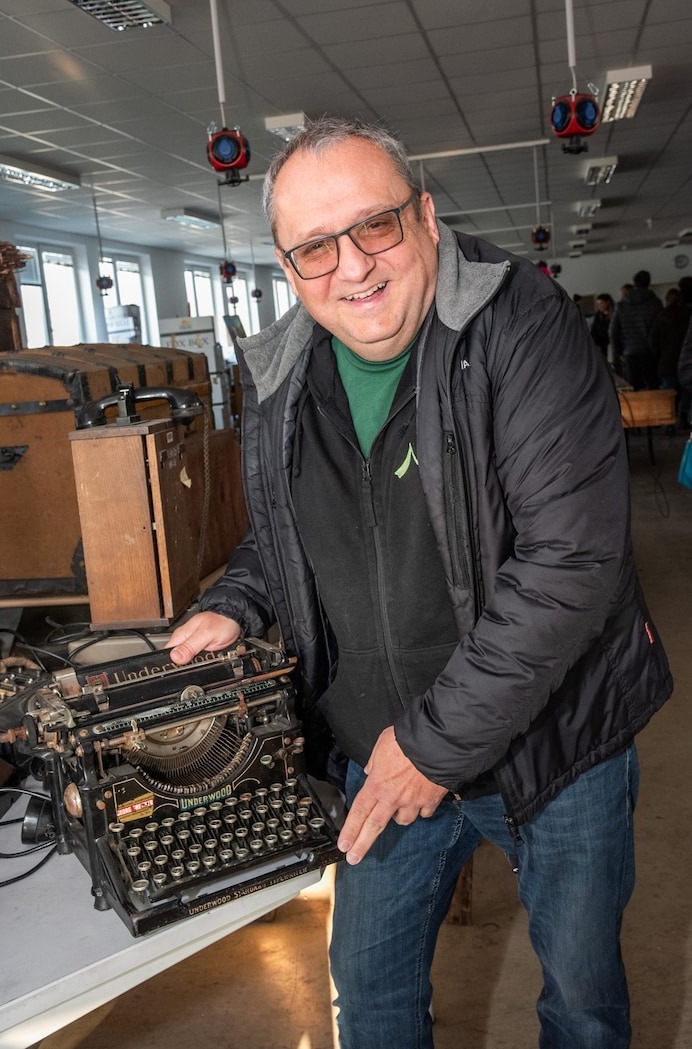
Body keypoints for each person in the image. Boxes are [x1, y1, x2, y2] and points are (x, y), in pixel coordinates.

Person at [169, 116, 672, 1049]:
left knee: (583, 1000)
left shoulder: (522, 325)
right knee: (369, 1000)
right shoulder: (281, 374)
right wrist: (234, 604)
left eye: (376, 226)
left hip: (556, 745)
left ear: (427, 217)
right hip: (380, 750)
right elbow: (290, 532)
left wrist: (430, 747)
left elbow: (572, 559)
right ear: (287, 266)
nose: (351, 267)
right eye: (314, 247)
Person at [609, 271, 662, 389]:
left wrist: (619, 352)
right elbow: (660, 329)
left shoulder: (621, 305)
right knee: (653, 388)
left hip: (629, 352)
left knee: (633, 389)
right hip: (650, 351)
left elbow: (613, 331)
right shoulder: (655, 303)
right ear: (649, 283)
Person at [590, 291, 615, 359]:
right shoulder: (598, 315)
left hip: (614, 344)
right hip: (602, 345)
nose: (600, 306)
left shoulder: (615, 314)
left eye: (601, 303)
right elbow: (594, 330)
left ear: (608, 302)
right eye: (598, 304)